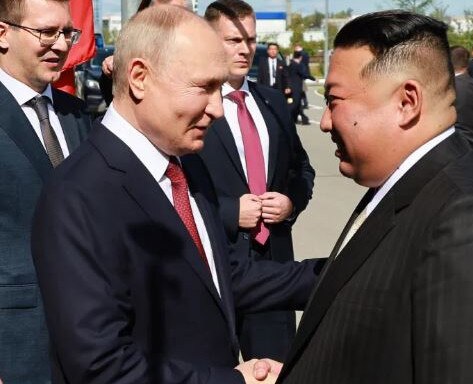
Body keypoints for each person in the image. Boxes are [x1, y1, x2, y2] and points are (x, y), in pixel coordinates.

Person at [32, 6, 323, 384]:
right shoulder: (77, 197)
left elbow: (217, 277)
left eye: (220, 88)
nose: (218, 109)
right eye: (204, 88)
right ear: (139, 77)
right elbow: (100, 367)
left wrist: (336, 273)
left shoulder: (185, 164)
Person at [277, 10, 473, 384]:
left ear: (407, 102)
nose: (324, 121)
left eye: (334, 100)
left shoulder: (470, 216)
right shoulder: (405, 182)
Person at [201, 0, 315, 362]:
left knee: (274, 370)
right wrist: (230, 212)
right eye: (233, 39)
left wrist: (291, 203)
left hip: (273, 266)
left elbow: (301, 169)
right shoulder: (191, 104)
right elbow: (171, 187)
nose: (244, 49)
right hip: (214, 268)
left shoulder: (272, 103)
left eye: (250, 40)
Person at [0, 0, 91, 382]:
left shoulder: (77, 114)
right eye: (45, 32)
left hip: (87, 339)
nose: (59, 44)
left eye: (67, 33)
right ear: (2, 33)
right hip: (16, 345)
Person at [99, 0, 192, 106]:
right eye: (156, 14)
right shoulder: (134, 50)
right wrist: (112, 73)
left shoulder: (199, 55)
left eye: (173, 13)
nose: (164, 20)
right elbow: (115, 101)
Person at [288, 50, 314, 125]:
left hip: (291, 87)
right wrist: (313, 78)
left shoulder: (290, 64)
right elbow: (304, 74)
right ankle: (294, 118)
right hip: (296, 88)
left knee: (298, 105)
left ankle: (299, 119)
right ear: (300, 57)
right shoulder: (297, 65)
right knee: (295, 105)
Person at [293, 44, 311, 109]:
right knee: (301, 89)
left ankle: (303, 103)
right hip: (303, 72)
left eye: (295, 48)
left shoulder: (301, 54)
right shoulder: (305, 53)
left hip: (300, 73)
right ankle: (304, 103)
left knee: (300, 88)